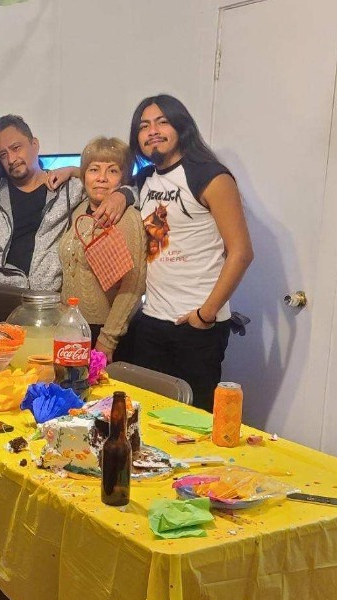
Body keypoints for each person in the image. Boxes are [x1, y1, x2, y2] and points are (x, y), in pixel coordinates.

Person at [127, 94, 253, 410]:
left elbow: (241, 252)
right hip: (151, 320)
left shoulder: (210, 176)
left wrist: (205, 314)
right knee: (148, 417)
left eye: (162, 122)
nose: (152, 131)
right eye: (144, 126)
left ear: (181, 126)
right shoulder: (144, 179)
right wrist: (74, 172)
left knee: (192, 422)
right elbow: (108, 177)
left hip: (196, 325)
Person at [0, 114, 84, 291]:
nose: (11, 159)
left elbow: (106, 183)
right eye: (3, 154)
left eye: (16, 148)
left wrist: (74, 170)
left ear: (35, 145)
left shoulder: (68, 189)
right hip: (0, 296)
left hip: (50, 298)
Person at [58, 137, 147, 361]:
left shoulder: (128, 218)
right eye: (94, 169)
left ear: (123, 179)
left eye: (112, 171)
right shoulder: (78, 210)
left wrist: (108, 338)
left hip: (104, 332)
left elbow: (134, 285)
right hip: (71, 327)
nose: (101, 178)